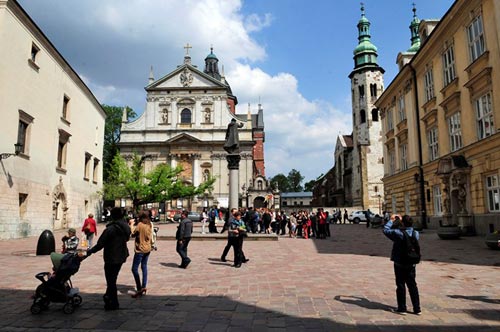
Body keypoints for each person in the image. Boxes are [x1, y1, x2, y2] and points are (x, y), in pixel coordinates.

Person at [87, 207, 131, 311]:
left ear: (113, 216)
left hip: (111, 257)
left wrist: (90, 251)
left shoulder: (110, 229)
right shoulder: (126, 227)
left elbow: (100, 244)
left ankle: (113, 302)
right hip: (121, 255)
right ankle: (109, 298)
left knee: (111, 280)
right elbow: (127, 238)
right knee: (113, 279)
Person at [383, 214, 421, 316]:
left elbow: (386, 230)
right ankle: (417, 309)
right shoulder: (416, 233)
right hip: (411, 262)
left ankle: (402, 308)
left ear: (402, 223)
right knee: (412, 285)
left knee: (400, 285)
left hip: (399, 262)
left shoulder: (398, 233)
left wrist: (392, 220)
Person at [130, 212, 153, 298]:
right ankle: (144, 286)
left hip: (140, 249)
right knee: (144, 266)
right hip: (148, 248)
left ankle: (139, 287)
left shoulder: (140, 225)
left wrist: (131, 225)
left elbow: (132, 234)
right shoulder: (149, 224)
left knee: (134, 269)